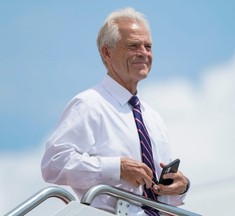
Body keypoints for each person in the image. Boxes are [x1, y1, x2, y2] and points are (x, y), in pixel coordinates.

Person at [41, 7, 190, 215]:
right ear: (107, 52)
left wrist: (180, 187)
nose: (144, 53)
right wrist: (117, 168)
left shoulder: (153, 117)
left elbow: (161, 195)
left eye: (148, 46)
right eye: (133, 46)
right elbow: (54, 163)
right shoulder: (89, 104)